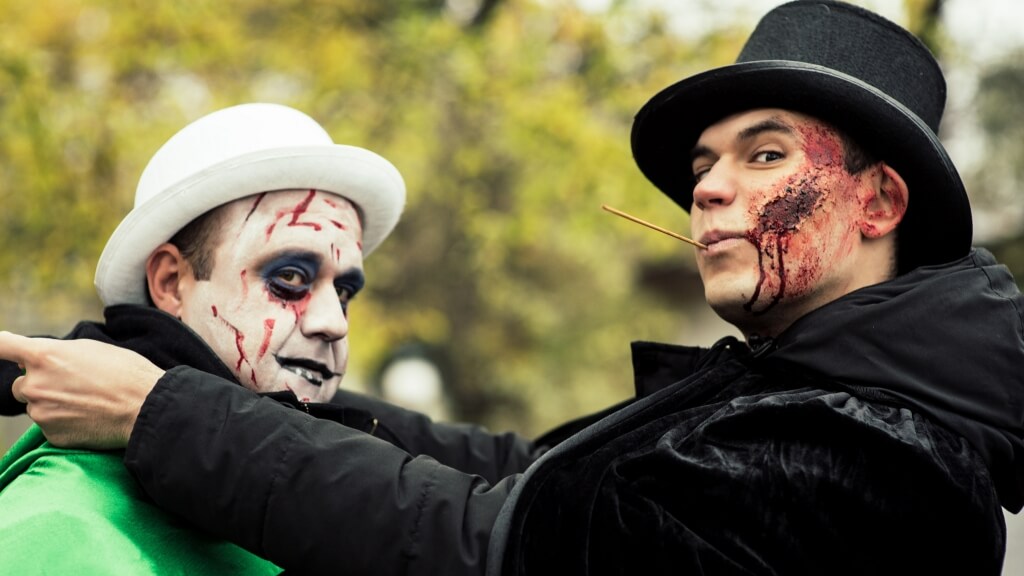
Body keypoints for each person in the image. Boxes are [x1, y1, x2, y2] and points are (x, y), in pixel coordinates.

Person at [2, 1, 1021, 574]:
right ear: (169, 280)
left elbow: (496, 540)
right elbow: (521, 471)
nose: (707, 188)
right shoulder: (790, 392)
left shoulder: (882, 458)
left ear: (878, 202)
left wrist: (164, 412)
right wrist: (185, 383)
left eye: (762, 155)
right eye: (703, 165)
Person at [0, 102, 406, 573]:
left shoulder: (323, 519)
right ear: (171, 282)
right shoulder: (56, 532)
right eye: (291, 277)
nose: (334, 322)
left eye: (344, 292)